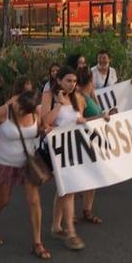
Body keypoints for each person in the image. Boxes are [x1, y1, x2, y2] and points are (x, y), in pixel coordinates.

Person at [0, 89, 51, 260]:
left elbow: (41, 128)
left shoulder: (36, 112)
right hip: (6, 162)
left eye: (23, 109)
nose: (19, 110)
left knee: (34, 201)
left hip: (28, 164)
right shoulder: (7, 110)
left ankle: (37, 243)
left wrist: (45, 129)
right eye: (19, 106)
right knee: (4, 199)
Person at [42, 66, 86, 251]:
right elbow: (45, 122)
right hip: (56, 149)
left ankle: (56, 226)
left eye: (74, 81)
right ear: (59, 80)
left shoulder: (78, 98)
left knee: (65, 188)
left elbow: (81, 118)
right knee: (68, 188)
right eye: (68, 80)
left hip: (73, 148)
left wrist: (84, 120)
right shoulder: (49, 96)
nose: (72, 84)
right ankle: (71, 232)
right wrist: (59, 104)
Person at [74, 67, 113, 225]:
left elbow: (97, 110)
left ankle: (87, 211)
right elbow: (78, 121)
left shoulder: (88, 96)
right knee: (78, 178)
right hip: (84, 143)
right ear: (89, 81)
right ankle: (69, 215)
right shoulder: (79, 98)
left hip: (94, 143)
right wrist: (100, 117)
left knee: (93, 178)